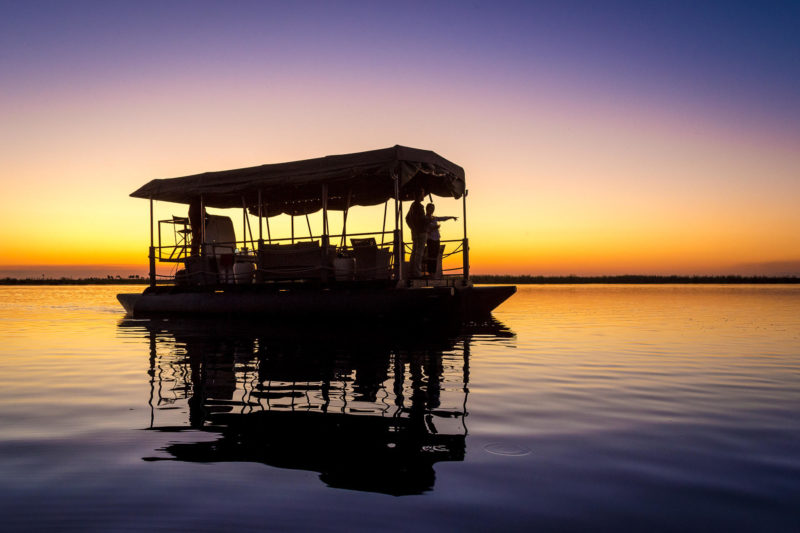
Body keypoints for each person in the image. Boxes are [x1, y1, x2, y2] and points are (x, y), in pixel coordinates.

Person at [424, 203, 457, 276]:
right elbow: (426, 229)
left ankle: (433, 272)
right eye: (431, 208)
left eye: (433, 208)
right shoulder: (425, 218)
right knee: (430, 255)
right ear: (427, 209)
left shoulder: (434, 218)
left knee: (435, 255)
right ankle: (430, 272)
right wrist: (435, 227)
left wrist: (451, 217)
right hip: (430, 239)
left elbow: (443, 218)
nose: (432, 210)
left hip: (437, 239)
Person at [405, 188, 427, 277]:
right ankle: (417, 273)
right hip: (421, 233)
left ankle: (412, 272)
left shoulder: (413, 205)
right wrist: (430, 220)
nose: (424, 195)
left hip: (415, 232)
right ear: (419, 195)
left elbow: (407, 219)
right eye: (423, 193)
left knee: (414, 252)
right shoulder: (419, 206)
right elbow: (422, 220)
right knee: (419, 253)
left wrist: (412, 228)